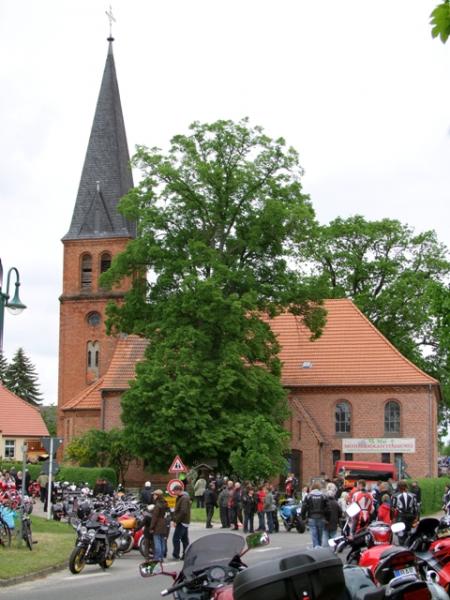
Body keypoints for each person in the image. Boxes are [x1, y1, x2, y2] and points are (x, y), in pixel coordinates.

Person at [301, 482, 330, 548]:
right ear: (319, 488)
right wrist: (327, 518)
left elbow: (304, 508)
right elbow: (328, 509)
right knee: (320, 534)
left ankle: (316, 547)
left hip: (311, 517)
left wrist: (303, 518)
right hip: (321, 517)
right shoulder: (323, 496)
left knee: (314, 534)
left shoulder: (308, 496)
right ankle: (319, 547)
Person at [172, 484, 191, 560]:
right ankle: (186, 554)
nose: (173, 492)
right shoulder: (181, 498)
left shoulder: (184, 498)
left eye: (174, 491)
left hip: (182, 522)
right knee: (184, 539)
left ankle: (176, 555)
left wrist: (176, 521)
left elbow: (183, 511)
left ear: (178, 490)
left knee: (176, 539)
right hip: (184, 521)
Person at [150, 489, 169, 562]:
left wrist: (151, 527)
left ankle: (157, 557)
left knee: (157, 541)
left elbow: (154, 517)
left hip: (158, 524)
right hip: (164, 523)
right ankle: (161, 557)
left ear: (157, 496)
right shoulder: (165, 503)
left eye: (154, 495)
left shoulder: (157, 505)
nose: (153, 496)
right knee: (162, 541)